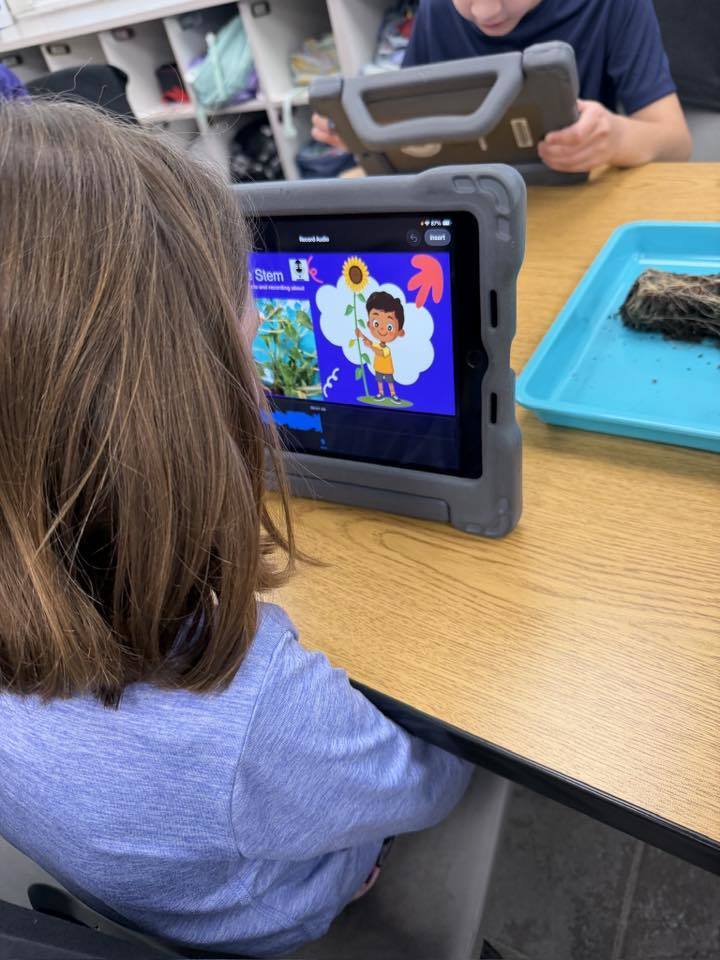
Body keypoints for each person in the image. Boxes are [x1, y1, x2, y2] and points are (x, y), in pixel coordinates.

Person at [0, 100, 472, 959]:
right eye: (244, 354)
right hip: (268, 917)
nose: (260, 394)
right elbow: (426, 784)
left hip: (131, 889)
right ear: (169, 428)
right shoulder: (249, 714)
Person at [312, 0, 692, 172]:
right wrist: (367, 134)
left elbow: (676, 143)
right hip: (474, 212)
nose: (484, 11)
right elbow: (417, 133)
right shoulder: (438, 10)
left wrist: (615, 138)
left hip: (574, 205)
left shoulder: (612, 6)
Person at [357, 290, 406, 403]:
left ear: (399, 332)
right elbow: (370, 342)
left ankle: (393, 395)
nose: (382, 329)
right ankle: (381, 393)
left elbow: (379, 353)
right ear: (369, 324)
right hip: (378, 368)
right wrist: (361, 335)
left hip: (387, 370)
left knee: (389, 382)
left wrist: (370, 346)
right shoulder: (377, 344)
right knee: (379, 381)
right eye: (376, 323)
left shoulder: (386, 349)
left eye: (389, 327)